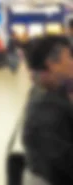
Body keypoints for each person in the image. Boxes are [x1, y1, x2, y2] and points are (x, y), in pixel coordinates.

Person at [21, 35, 73, 184]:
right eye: (69, 57)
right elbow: (64, 162)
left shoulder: (45, 89)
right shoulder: (46, 110)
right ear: (51, 64)